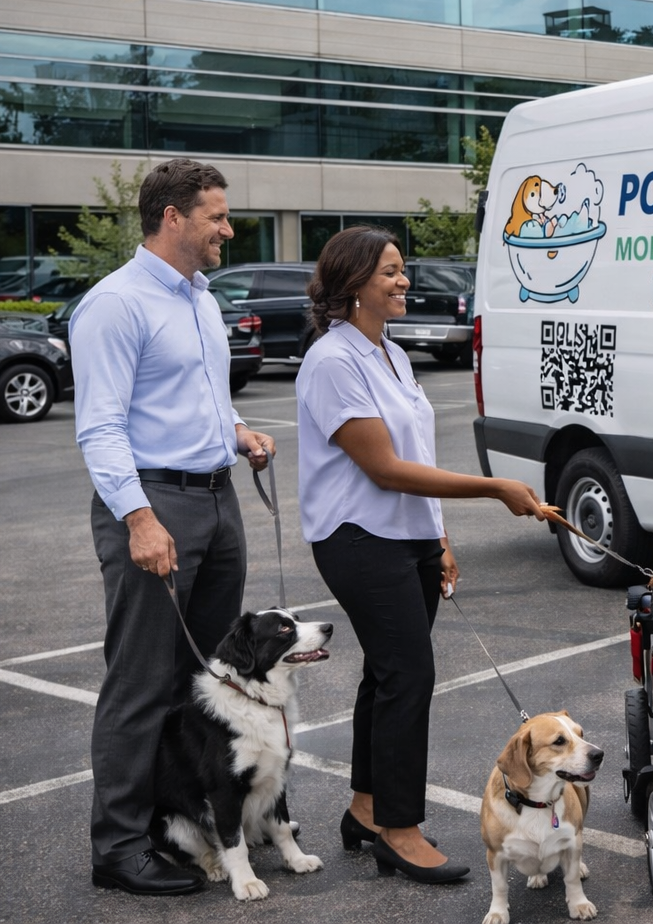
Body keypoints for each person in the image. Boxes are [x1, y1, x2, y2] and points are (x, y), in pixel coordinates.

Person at [296, 226, 547, 884]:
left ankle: (365, 809)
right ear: (353, 284)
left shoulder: (392, 354)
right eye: (389, 271)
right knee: (408, 675)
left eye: (402, 268)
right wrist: (493, 487)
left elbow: (418, 457)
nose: (403, 280)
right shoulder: (332, 361)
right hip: (357, 537)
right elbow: (384, 469)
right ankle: (398, 830)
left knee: (386, 676)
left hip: (408, 536)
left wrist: (438, 539)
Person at [73, 158, 275, 896]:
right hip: (155, 505)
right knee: (143, 681)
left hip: (218, 498)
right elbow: (100, 427)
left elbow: (199, 395)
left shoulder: (200, 297)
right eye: (217, 216)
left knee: (209, 679)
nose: (228, 229)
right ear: (172, 218)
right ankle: (119, 846)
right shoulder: (115, 303)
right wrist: (139, 518)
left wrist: (238, 432)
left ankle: (198, 821)